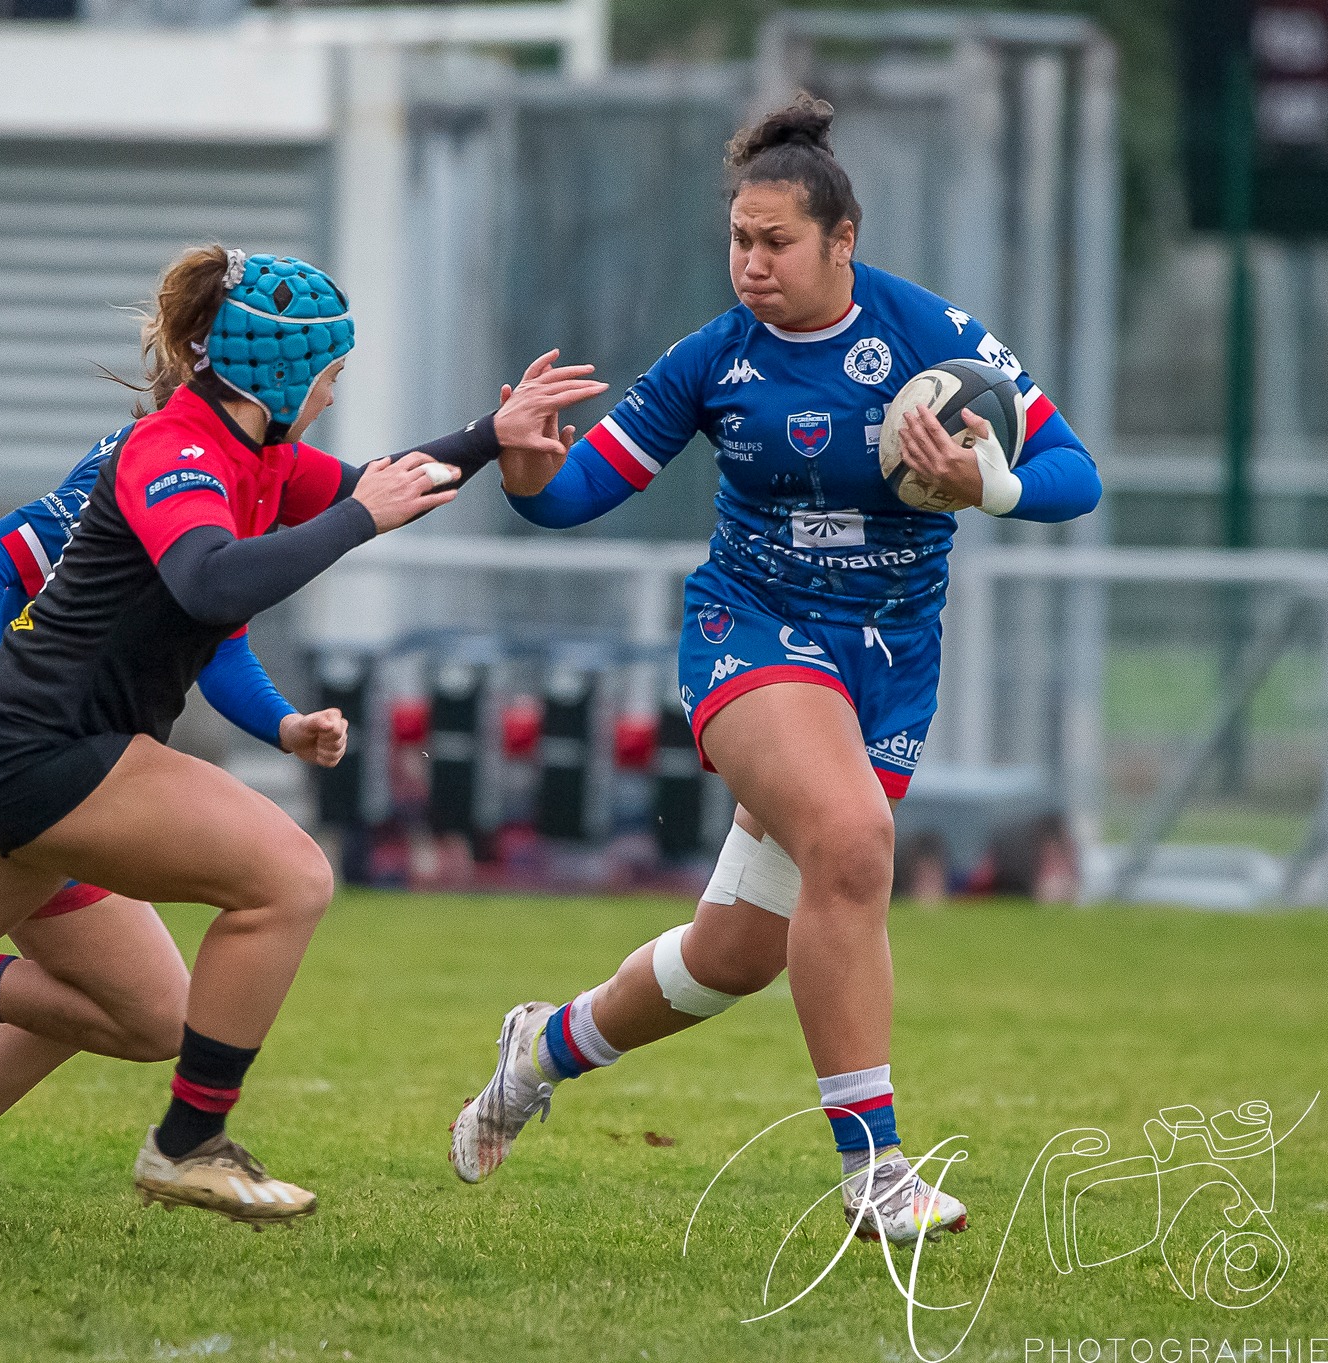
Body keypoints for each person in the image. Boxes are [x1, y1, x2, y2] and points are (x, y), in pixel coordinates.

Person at [0, 244, 606, 1264]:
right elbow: (210, 584)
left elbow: (379, 482)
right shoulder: (172, 447)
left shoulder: (258, 451)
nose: (329, 396)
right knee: (288, 878)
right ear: (281, 371)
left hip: (24, 744)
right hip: (51, 747)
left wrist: (490, 437)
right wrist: (360, 520)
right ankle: (188, 1142)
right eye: (326, 375)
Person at [449, 95, 1101, 1246]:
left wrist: (983, 486)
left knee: (735, 954)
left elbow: (1073, 472)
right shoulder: (713, 359)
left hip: (888, 663)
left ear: (840, 240)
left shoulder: (930, 337)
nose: (749, 264)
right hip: (750, 635)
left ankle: (538, 1047)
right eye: (737, 240)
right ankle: (875, 1172)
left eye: (775, 242)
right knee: (851, 842)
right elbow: (572, 496)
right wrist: (521, 466)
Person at [0, 420, 349, 1225]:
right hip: (31, 767)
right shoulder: (150, 459)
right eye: (318, 368)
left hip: (89, 771)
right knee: (149, 1007)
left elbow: (219, 648)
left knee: (133, 1004)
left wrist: (285, 726)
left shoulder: (230, 475)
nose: (322, 393)